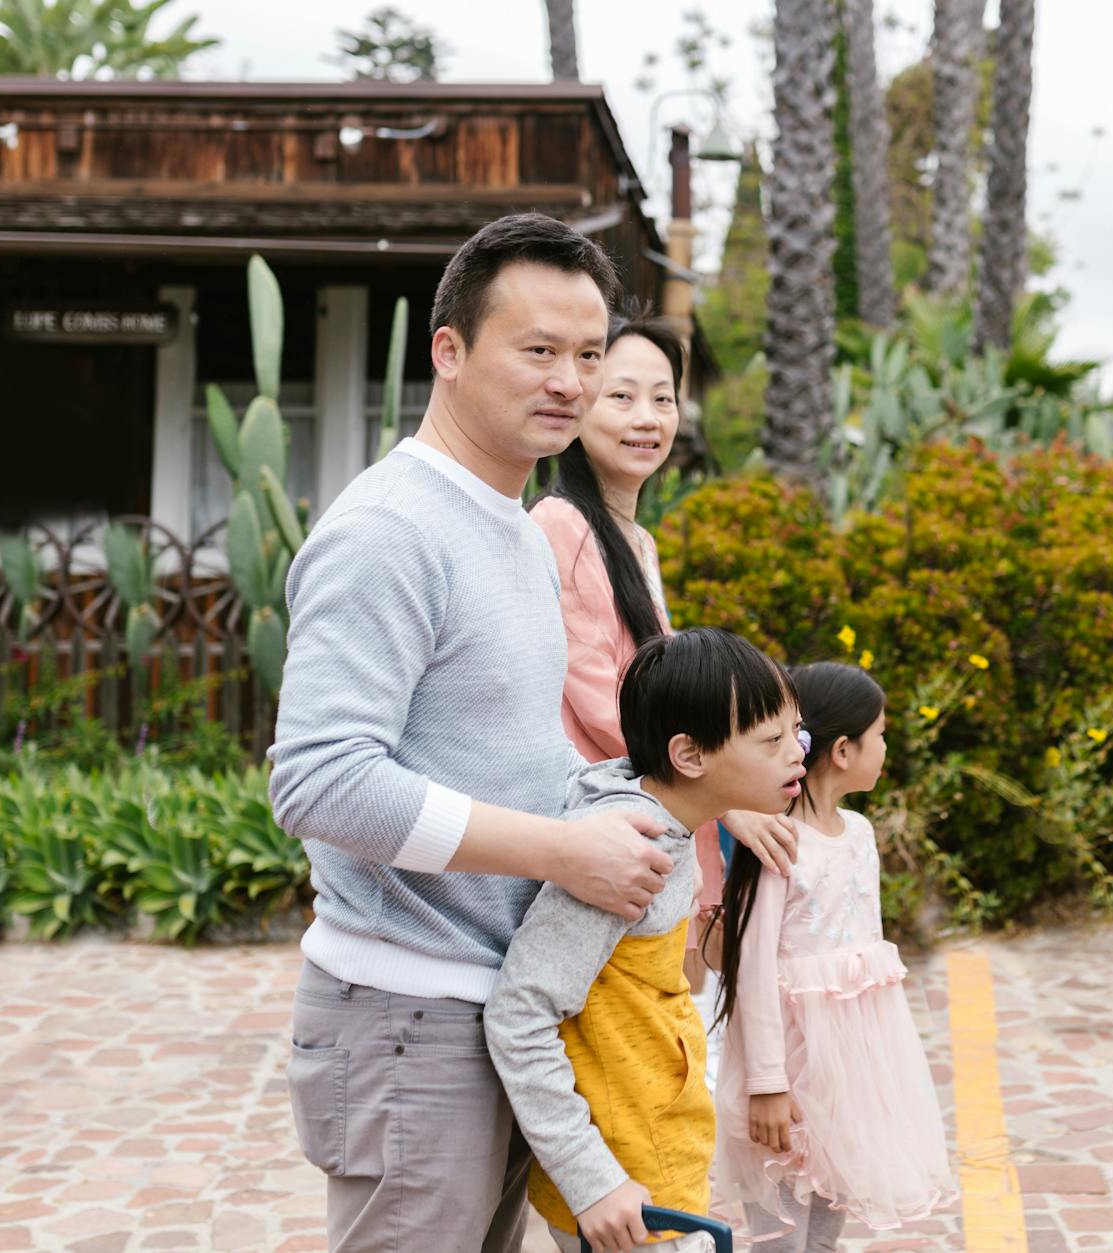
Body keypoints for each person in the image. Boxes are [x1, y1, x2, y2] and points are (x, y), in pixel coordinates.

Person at [268, 213, 676, 1253]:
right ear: (448, 350)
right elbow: (318, 780)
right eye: (536, 349)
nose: (570, 381)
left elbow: (507, 744)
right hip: (407, 1016)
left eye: (588, 354)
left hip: (495, 1008)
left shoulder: (511, 517)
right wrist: (563, 851)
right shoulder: (389, 529)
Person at [526, 305, 796, 1073]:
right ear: (577, 403)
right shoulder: (561, 525)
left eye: (663, 397)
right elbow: (606, 703)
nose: (647, 418)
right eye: (621, 396)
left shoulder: (631, 537)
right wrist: (729, 792)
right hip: (618, 844)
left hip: (664, 834)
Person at [486, 628, 809, 1253]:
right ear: (689, 756)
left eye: (798, 732)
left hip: (653, 1151)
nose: (796, 752)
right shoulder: (627, 854)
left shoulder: (667, 823)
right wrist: (593, 1182)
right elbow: (518, 1012)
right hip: (626, 1185)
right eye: (772, 740)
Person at [711, 663, 956, 1251]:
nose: (886, 745)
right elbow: (751, 968)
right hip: (790, 1069)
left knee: (828, 1222)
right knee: (783, 1232)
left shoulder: (860, 834)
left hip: (852, 1069)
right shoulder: (777, 841)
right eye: (880, 733)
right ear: (844, 750)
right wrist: (767, 1084)